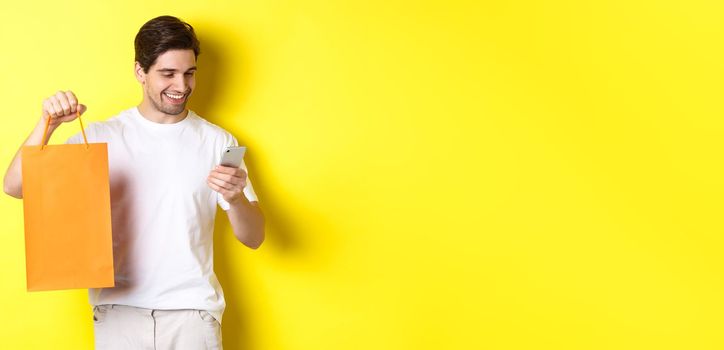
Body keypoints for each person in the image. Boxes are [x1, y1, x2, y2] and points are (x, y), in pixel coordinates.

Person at [2, 15, 265, 349]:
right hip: (118, 313)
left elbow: (255, 237)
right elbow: (15, 186)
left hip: (193, 315)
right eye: (167, 74)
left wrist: (238, 198)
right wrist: (47, 125)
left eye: (189, 73)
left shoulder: (217, 141)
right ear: (140, 72)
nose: (181, 86)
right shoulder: (101, 138)